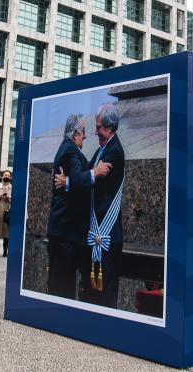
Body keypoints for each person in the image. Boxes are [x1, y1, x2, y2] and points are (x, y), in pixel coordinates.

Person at [50, 114, 111, 299]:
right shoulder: (70, 151)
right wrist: (96, 171)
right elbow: (78, 177)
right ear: (76, 132)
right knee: (63, 287)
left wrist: (67, 181)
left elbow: (75, 177)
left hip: (65, 233)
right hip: (66, 234)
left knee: (61, 284)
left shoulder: (68, 149)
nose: (85, 136)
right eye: (83, 132)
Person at [80, 103, 125, 308]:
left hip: (107, 231)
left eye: (98, 127)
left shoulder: (113, 152)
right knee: (95, 288)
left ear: (110, 127)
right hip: (99, 229)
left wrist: (72, 181)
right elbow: (88, 169)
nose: (95, 131)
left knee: (106, 288)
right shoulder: (102, 149)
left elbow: (93, 177)